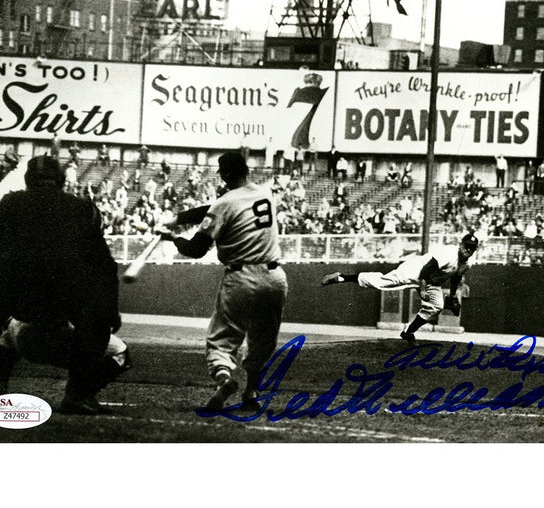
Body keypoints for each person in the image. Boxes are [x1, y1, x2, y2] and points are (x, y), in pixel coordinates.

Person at [0, 155, 129, 414]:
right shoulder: (81, 207)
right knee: (97, 321)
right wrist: (109, 309)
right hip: (65, 293)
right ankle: (77, 394)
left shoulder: (11, 202)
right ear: (62, 180)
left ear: (28, 180)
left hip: (16, 288)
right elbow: (104, 265)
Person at [158, 151, 287, 412]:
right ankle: (250, 392)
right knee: (262, 340)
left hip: (242, 278)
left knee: (222, 339)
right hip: (275, 278)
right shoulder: (265, 194)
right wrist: (180, 218)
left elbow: (195, 248)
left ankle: (224, 379)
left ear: (226, 174)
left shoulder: (224, 203)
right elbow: (217, 208)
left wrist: (170, 237)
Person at [321, 233, 479, 345]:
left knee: (437, 306)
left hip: (431, 280)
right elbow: (426, 269)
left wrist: (452, 296)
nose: (469, 250)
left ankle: (408, 332)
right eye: (467, 246)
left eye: (472, 248)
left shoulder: (467, 263)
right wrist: (422, 289)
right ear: (461, 244)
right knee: (383, 282)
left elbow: (456, 278)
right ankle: (342, 277)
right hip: (416, 270)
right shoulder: (449, 253)